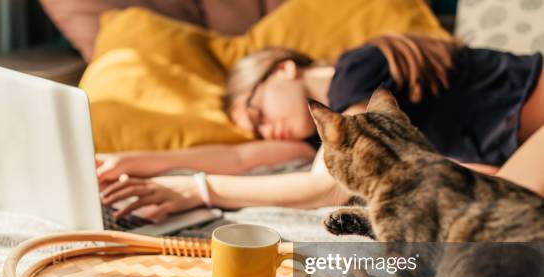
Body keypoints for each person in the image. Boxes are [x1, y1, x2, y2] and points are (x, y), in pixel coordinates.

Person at [97, 34, 544, 222]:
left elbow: (330, 184)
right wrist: (134, 162)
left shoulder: (352, 71)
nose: (265, 131)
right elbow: (240, 158)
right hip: (527, 157)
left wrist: (197, 190)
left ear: (284, 69)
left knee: (507, 208)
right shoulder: (320, 133)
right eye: (255, 128)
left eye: (258, 113)